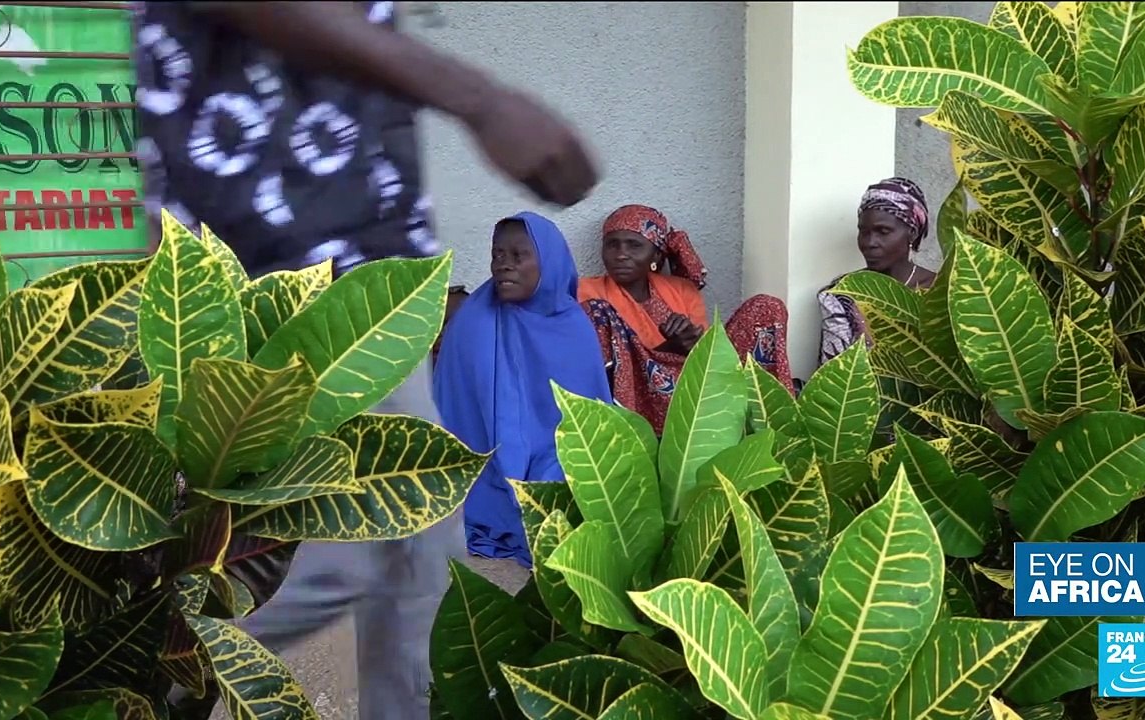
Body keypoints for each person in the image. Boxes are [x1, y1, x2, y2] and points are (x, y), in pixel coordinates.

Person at [130, 3, 598, 718]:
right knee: (344, 555)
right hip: (283, 264)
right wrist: (483, 101)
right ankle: (123, 680)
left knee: (410, 556)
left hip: (360, 264)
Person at [434, 213, 612, 568]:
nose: (504, 265)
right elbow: (459, 419)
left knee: (577, 491)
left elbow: (591, 426)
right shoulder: (473, 320)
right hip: (482, 466)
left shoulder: (573, 327)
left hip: (558, 455)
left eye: (518, 256)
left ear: (548, 261)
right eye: (497, 255)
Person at [577, 204, 794, 434]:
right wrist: (667, 349)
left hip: (693, 387)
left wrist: (693, 345)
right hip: (633, 396)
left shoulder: (682, 290)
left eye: (634, 245)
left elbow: (706, 355)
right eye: (612, 244)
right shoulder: (585, 292)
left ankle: (772, 420)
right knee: (597, 311)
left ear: (656, 255)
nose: (621, 254)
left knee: (766, 307)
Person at [818, 177, 937, 366]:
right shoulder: (842, 294)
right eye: (864, 232)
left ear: (912, 233)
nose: (870, 243)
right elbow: (833, 371)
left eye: (883, 231)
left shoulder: (943, 291)